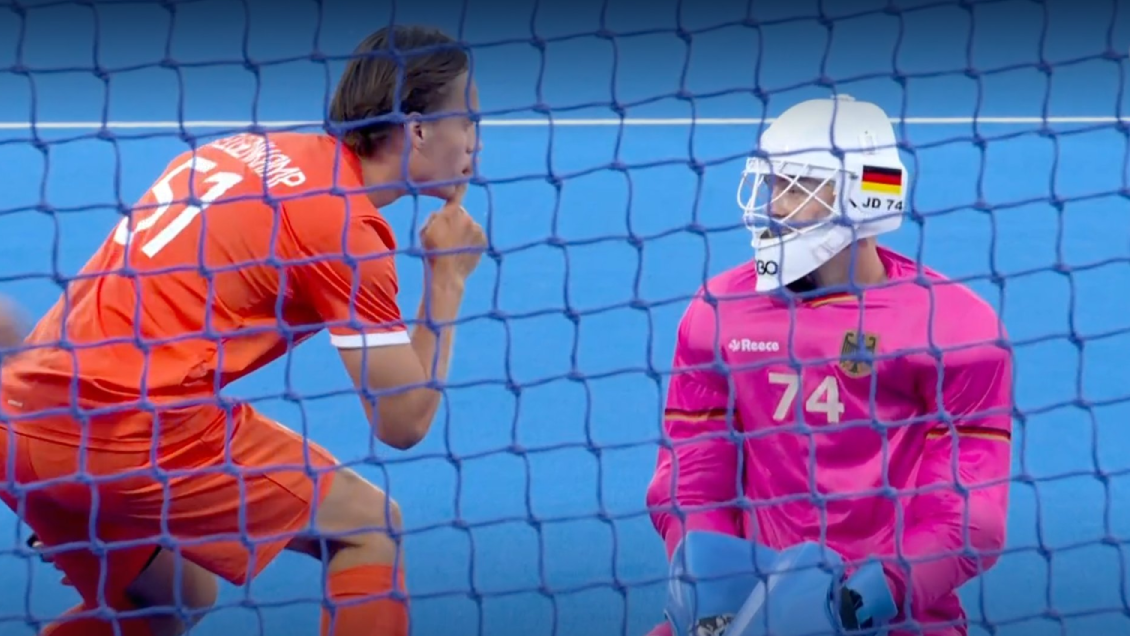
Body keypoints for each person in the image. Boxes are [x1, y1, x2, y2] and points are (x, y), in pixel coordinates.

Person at [0, 24, 484, 636]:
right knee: (367, 527)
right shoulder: (344, 228)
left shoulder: (240, 149)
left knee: (172, 598)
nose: (474, 139)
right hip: (124, 432)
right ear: (417, 130)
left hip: (21, 420)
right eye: (466, 120)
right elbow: (403, 421)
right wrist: (447, 279)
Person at [645, 95, 1013, 636]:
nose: (774, 206)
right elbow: (692, 475)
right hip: (745, 604)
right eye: (773, 184)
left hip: (895, 617)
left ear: (865, 195)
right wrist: (710, 586)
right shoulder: (717, 313)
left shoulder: (954, 330)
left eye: (797, 187)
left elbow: (968, 514)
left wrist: (862, 599)